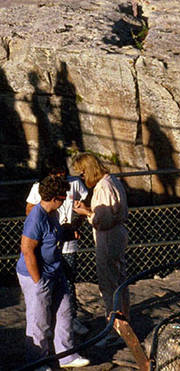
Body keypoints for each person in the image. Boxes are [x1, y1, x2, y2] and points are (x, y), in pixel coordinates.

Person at [18, 174, 90, 368]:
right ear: (53, 198)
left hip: (55, 270)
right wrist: (38, 280)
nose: (65, 199)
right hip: (38, 274)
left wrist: (67, 232)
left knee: (64, 311)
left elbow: (54, 235)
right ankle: (37, 361)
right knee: (39, 319)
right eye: (63, 196)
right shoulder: (36, 218)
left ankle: (66, 355)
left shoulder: (53, 214)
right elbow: (27, 249)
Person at [26, 151, 90, 336]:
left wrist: (76, 222)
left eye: (62, 172)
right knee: (47, 282)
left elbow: (85, 202)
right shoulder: (40, 187)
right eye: (56, 174)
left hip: (68, 243)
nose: (60, 177)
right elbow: (30, 209)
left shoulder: (75, 183)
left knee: (68, 281)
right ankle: (49, 320)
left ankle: (72, 318)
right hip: (48, 245)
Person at [71, 152, 130, 330]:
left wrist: (87, 213)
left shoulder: (104, 187)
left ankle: (115, 328)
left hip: (108, 237)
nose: (82, 177)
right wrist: (89, 209)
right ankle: (123, 323)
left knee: (109, 284)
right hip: (116, 234)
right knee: (119, 281)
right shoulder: (112, 181)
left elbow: (103, 221)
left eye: (82, 173)